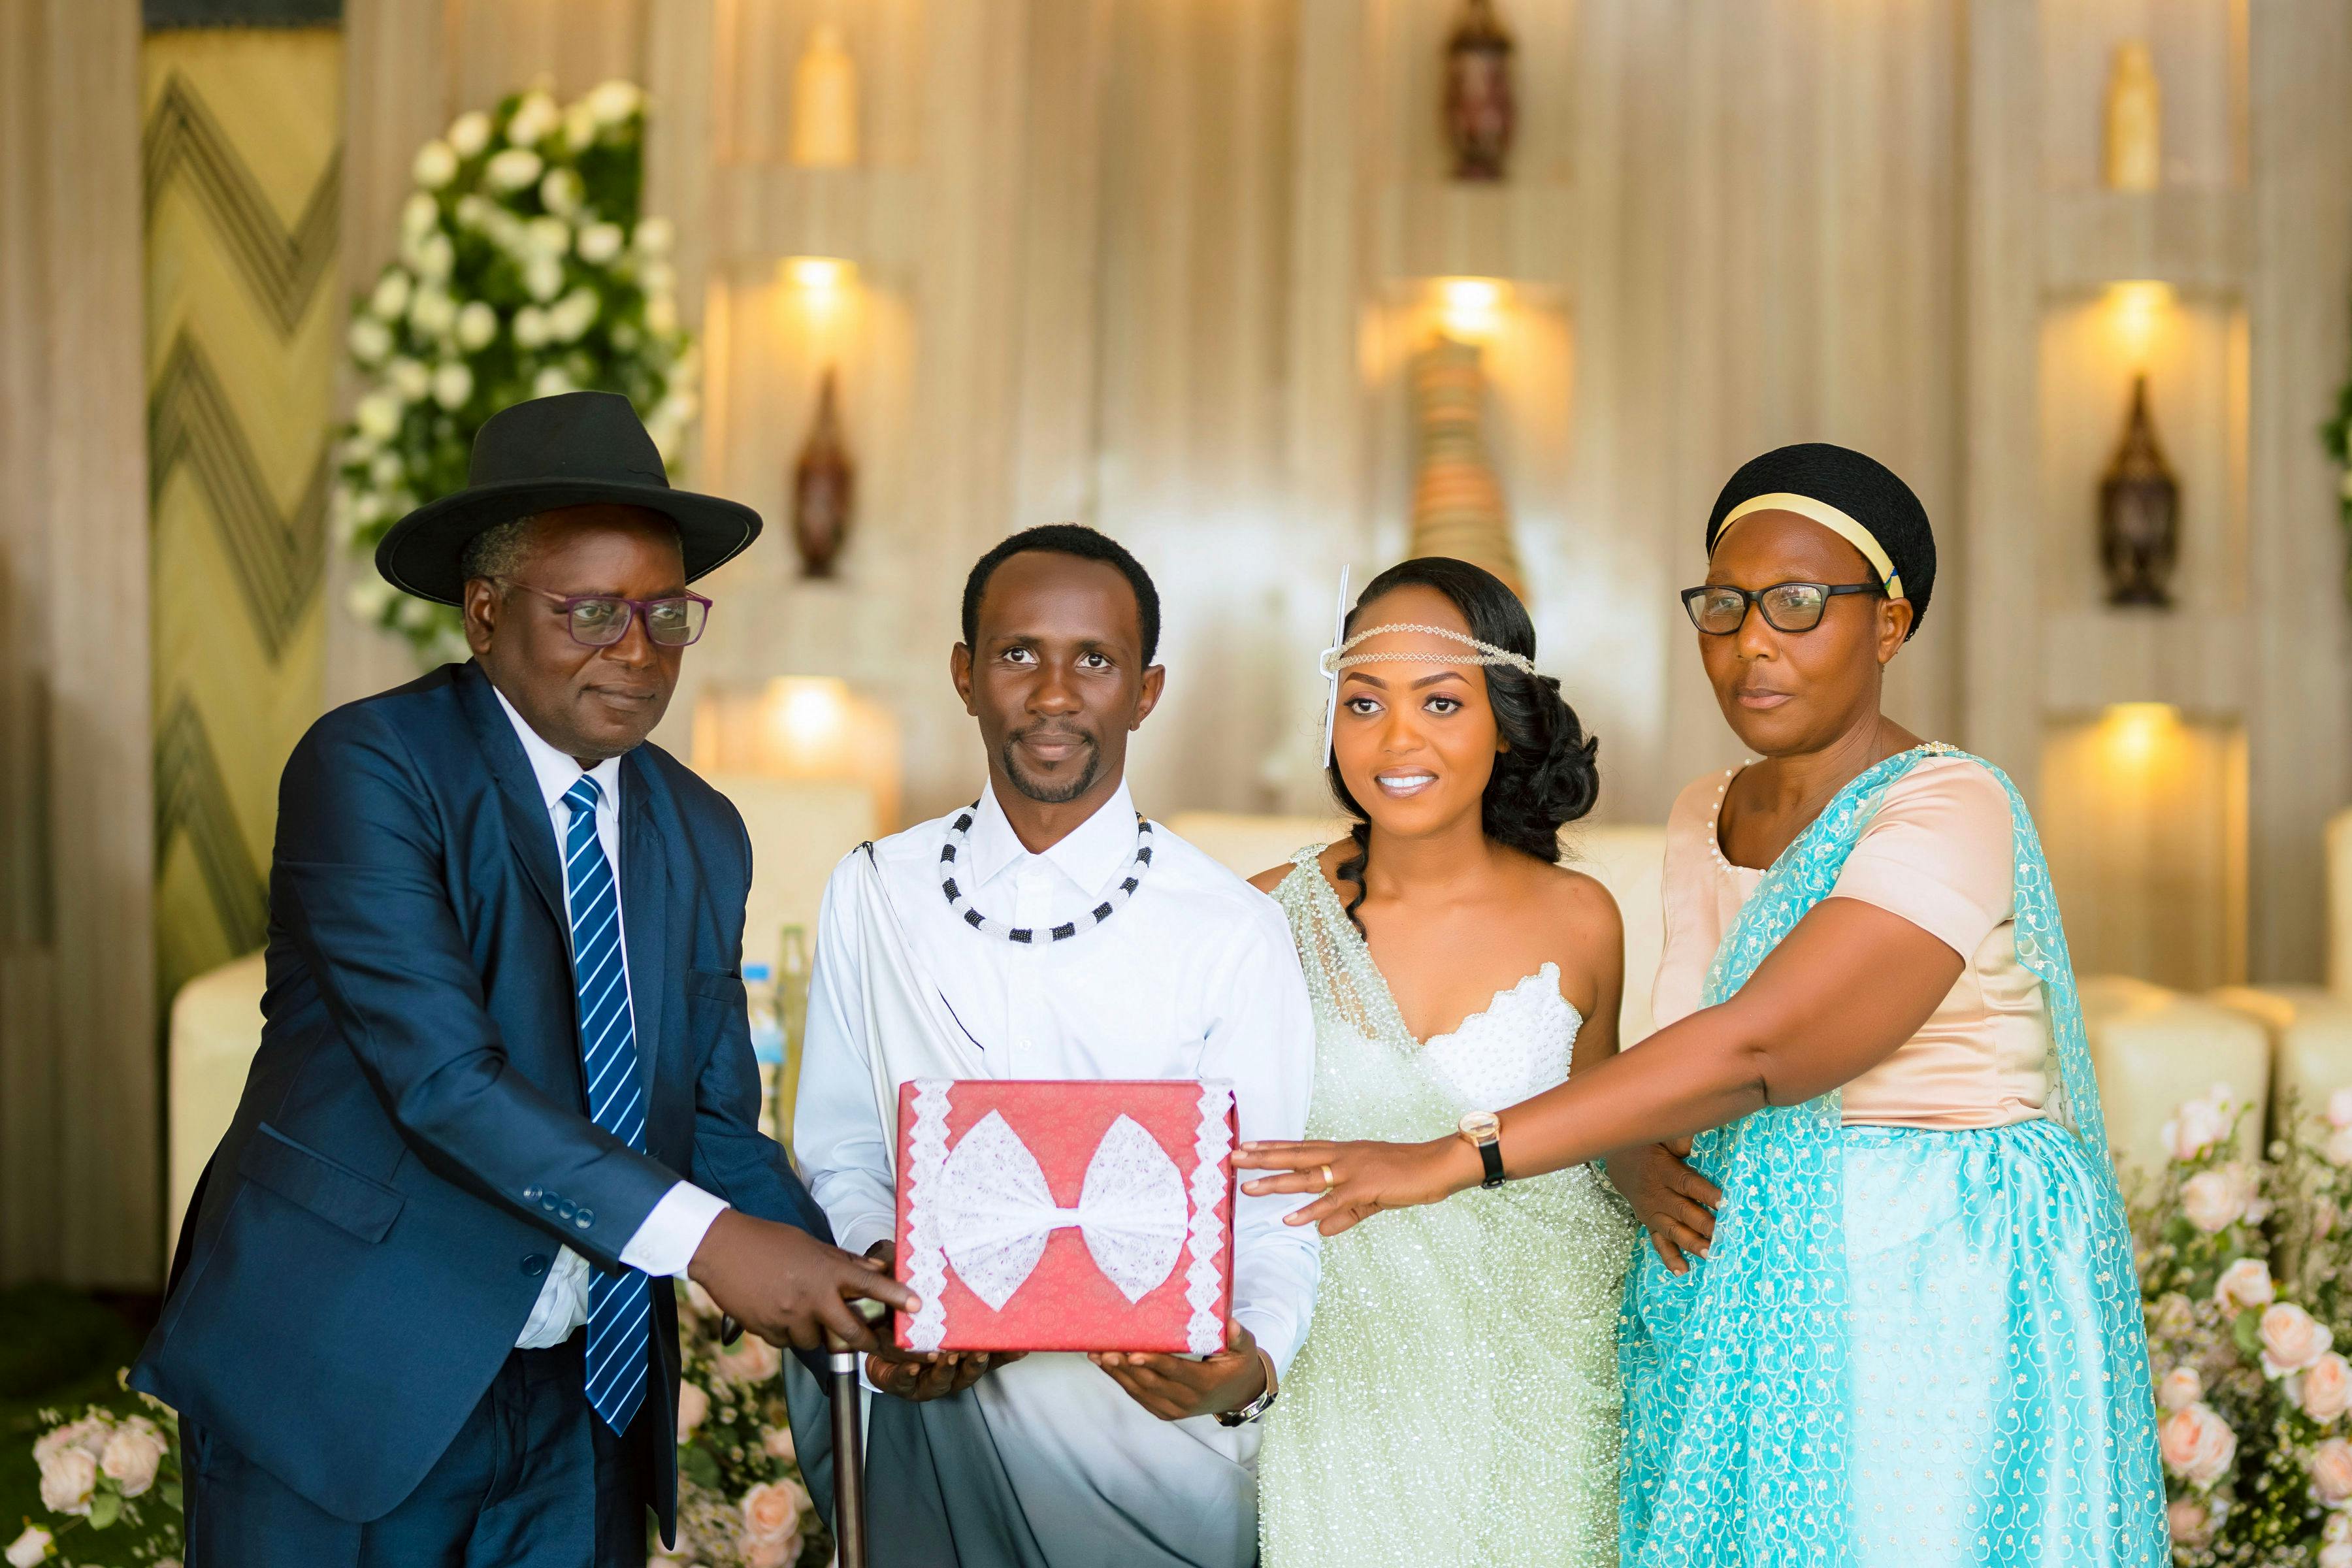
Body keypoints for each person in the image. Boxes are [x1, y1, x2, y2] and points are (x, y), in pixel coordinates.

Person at [1236, 444, 2170, 1566]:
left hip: (1937, 1275)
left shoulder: (1952, 802)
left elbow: (1764, 1045)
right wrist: (1629, 1155)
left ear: (1890, 623)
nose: (1754, 642)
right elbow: (1667, 1061)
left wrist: (1447, 1158)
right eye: (1725, 607)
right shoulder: (1705, 811)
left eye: (1797, 604)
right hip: (1754, 1270)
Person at [134, 391, 912, 1567]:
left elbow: (709, 1124)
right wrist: (714, 1246)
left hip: (581, 1402)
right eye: (590, 610)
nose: (638, 649)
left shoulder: (704, 829)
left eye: (666, 612)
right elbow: (446, 1083)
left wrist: (844, 1296)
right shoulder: (371, 769)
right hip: (348, 1375)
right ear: (485, 612)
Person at [790, 523, 1320, 1567]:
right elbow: (843, 1153)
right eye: (1019, 653)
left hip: (1143, 1451)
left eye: (1096, 661)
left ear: (1147, 690)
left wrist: (1248, 1368)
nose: (1054, 693)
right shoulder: (875, 891)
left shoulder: (1231, 929)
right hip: (930, 1414)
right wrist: (887, 1285)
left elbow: (1271, 1209)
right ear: (965, 674)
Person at [1246, 556, 1709, 1568]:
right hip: (1351, 1373)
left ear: (1503, 719)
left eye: (1441, 702)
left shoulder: (1580, 916)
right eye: (1364, 703)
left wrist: (1653, 1173)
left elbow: (1594, 1108)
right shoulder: (1262, 920)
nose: (1397, 739)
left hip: (1545, 1365)